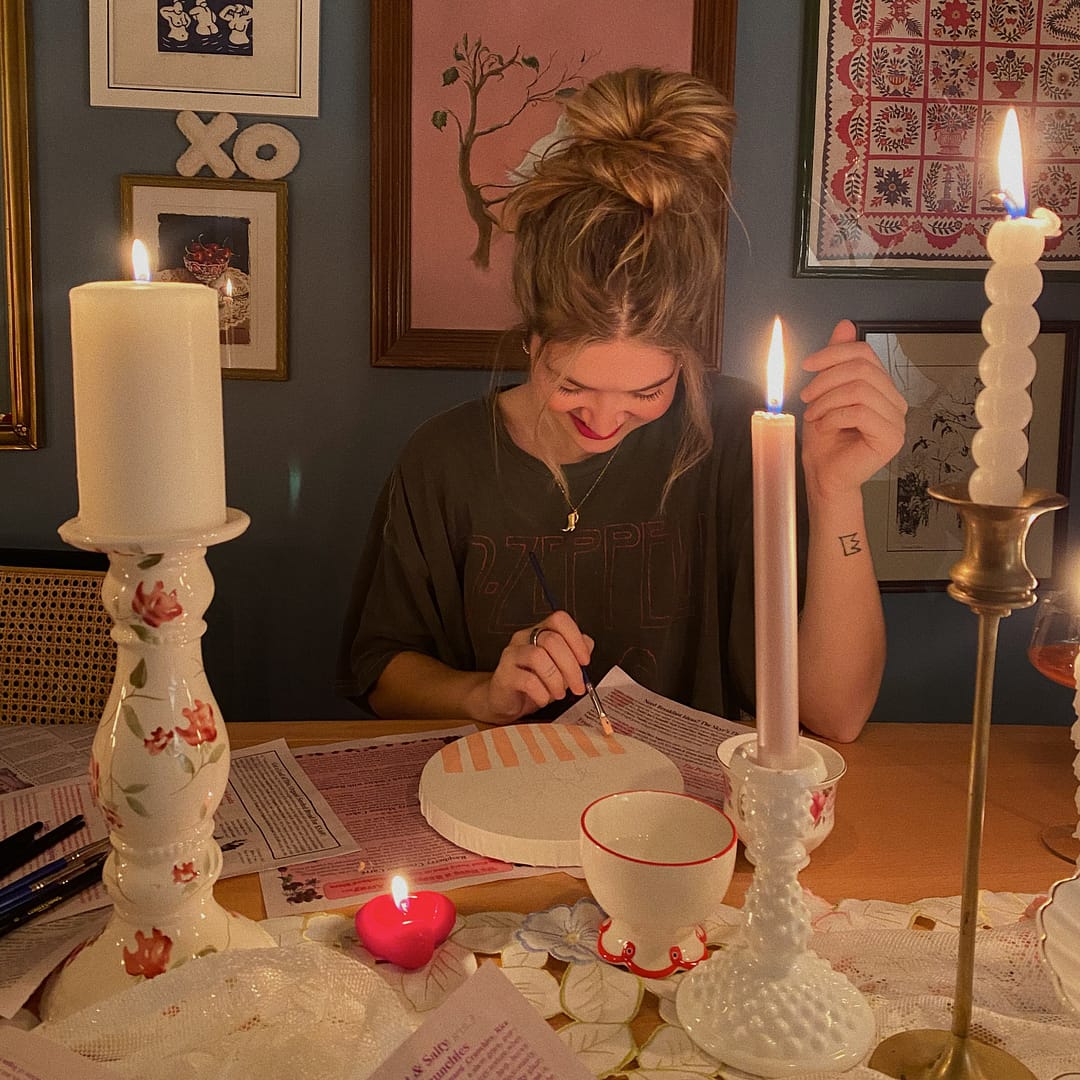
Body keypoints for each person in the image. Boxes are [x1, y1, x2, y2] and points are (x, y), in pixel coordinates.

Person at [338, 68, 906, 742]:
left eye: (647, 392)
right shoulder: (446, 458)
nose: (604, 422)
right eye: (572, 385)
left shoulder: (743, 436)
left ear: (687, 356)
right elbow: (381, 675)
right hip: (500, 809)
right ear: (531, 340)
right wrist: (483, 694)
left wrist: (835, 490)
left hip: (693, 823)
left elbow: (836, 714)